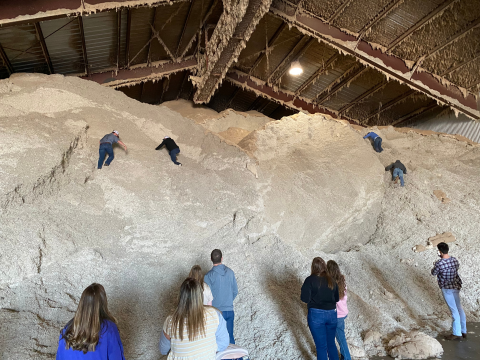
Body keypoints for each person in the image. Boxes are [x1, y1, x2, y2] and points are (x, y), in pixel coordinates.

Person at [159, 278, 229, 359]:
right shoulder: (214, 314)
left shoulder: (171, 321)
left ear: (181, 296)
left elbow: (163, 350)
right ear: (200, 296)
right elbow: (224, 343)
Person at [55, 283, 125, 360]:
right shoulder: (108, 328)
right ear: (103, 302)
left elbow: (60, 357)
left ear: (82, 302)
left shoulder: (68, 328)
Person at [301, 257, 339, 360]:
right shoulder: (331, 280)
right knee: (331, 344)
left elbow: (304, 299)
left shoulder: (310, 280)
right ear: (324, 266)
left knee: (321, 347)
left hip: (316, 315)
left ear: (313, 267)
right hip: (332, 314)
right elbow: (336, 298)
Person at [431, 242, 467, 341]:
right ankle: (463, 331)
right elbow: (456, 269)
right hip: (456, 286)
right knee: (459, 308)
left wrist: (435, 266)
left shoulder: (439, 263)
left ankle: (457, 333)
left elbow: (433, 273)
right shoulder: (454, 260)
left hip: (447, 288)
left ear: (440, 252)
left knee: (454, 310)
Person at [204, 249, 238, 344]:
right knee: (230, 337)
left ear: (211, 259)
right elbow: (235, 291)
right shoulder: (231, 272)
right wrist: (228, 301)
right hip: (229, 310)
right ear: (222, 258)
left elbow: (206, 297)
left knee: (217, 340)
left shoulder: (208, 276)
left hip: (216, 312)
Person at [327, 260, 351, 360]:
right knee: (340, 338)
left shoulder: (330, 285)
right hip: (342, 313)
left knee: (338, 339)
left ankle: (346, 358)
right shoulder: (342, 281)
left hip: (335, 316)